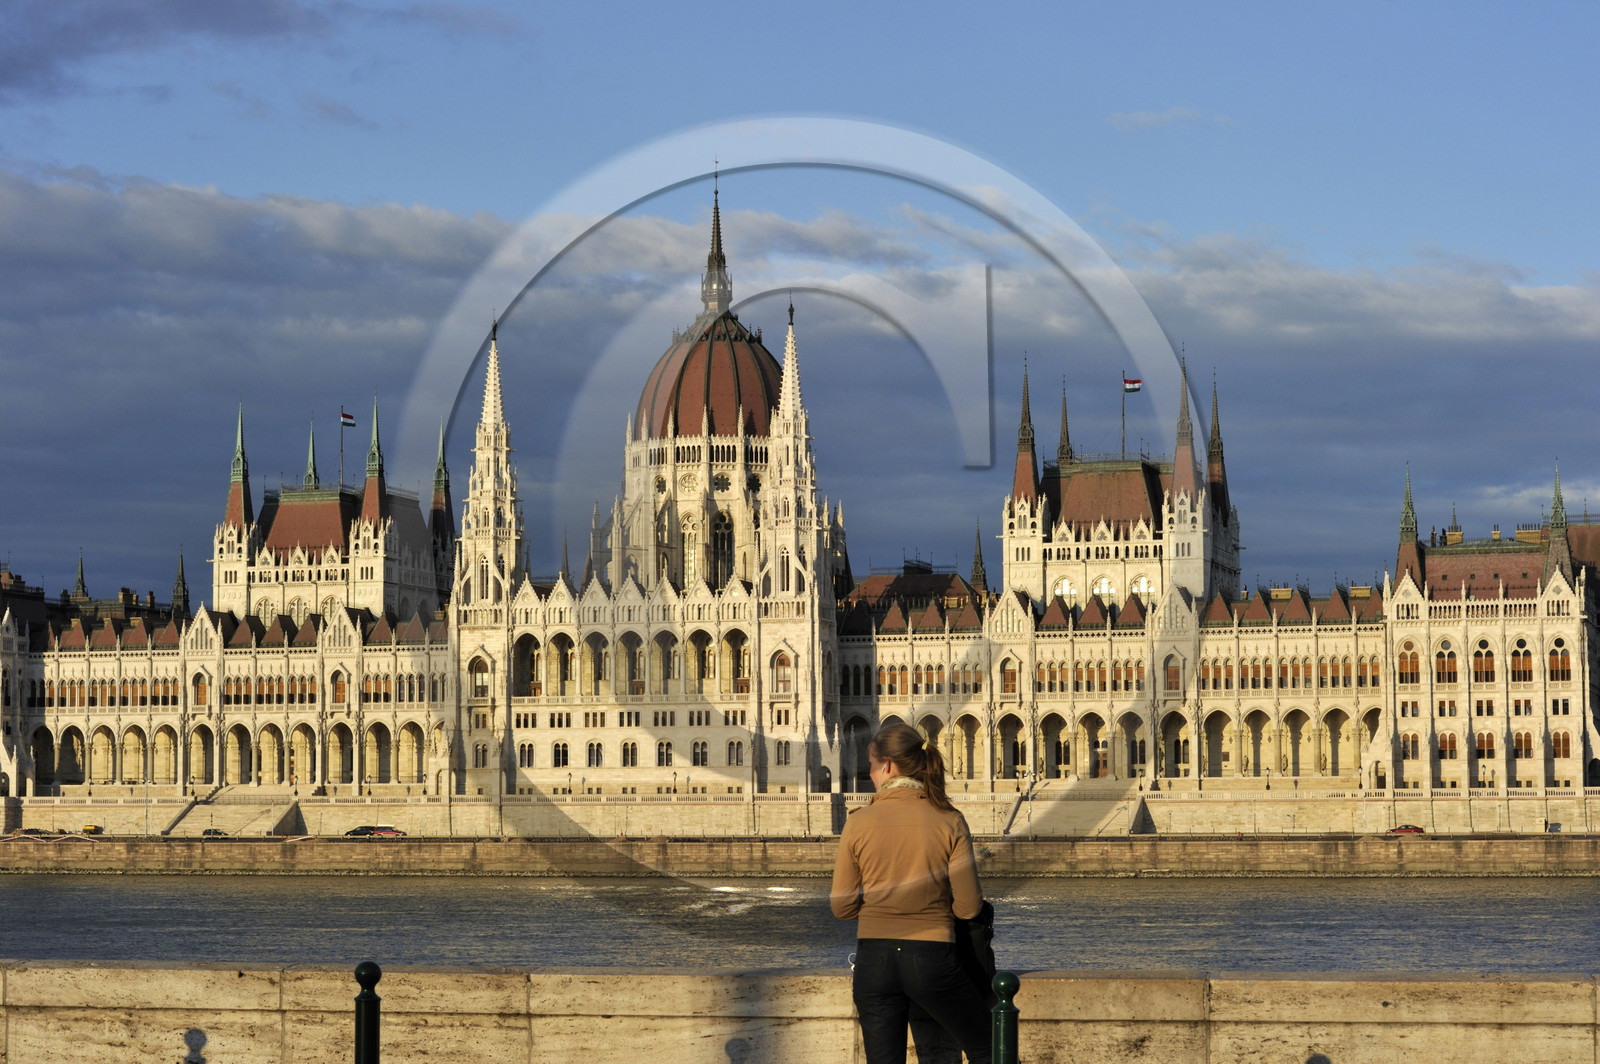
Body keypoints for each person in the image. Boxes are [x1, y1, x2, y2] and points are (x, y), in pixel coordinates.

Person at [830, 722, 992, 1064]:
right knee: (990, 1049)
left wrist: (878, 909)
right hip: (933, 959)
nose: (870, 774)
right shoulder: (949, 820)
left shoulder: (857, 822)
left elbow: (842, 907)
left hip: (874, 962)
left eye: (871, 766)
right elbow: (968, 907)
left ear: (887, 766)